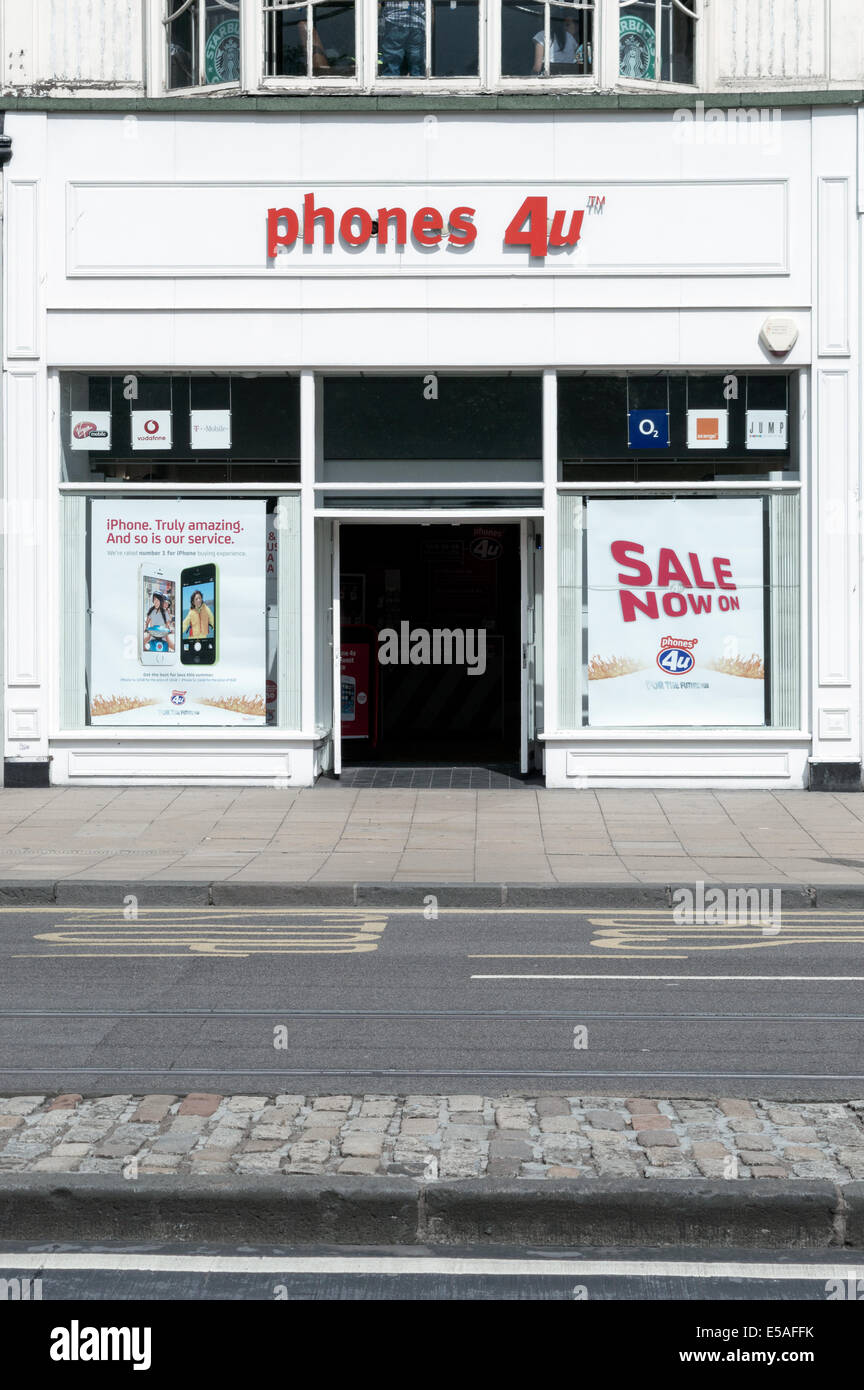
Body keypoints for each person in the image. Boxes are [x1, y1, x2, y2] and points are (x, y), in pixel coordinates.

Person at [379, 0, 426, 77]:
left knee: (392, 60)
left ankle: (390, 85)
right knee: (417, 62)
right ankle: (419, 85)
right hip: (417, 22)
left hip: (395, 19)